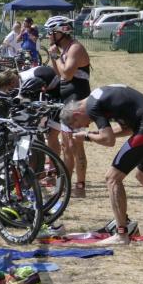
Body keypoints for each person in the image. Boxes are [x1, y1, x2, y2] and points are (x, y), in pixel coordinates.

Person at [60, 85, 143, 244]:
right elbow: (126, 129)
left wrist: (87, 136)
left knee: (112, 178)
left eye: (80, 124)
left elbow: (109, 140)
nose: (86, 125)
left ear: (77, 114)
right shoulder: (99, 96)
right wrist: (94, 134)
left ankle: (121, 235)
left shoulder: (92, 107)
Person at [47, 19, 91, 198]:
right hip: (67, 100)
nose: (49, 36)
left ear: (61, 32)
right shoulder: (64, 50)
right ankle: (65, 184)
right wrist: (54, 57)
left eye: (51, 33)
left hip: (77, 101)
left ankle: (80, 187)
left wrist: (56, 56)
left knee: (75, 145)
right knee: (67, 145)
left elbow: (67, 74)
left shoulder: (75, 48)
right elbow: (59, 74)